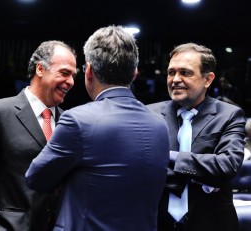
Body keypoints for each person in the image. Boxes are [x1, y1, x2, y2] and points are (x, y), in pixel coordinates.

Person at [25, 25, 170, 231]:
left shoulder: (77, 120)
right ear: (135, 73)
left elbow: (36, 178)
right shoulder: (160, 125)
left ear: (89, 70)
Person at [0, 40, 77, 231]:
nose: (71, 82)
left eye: (73, 75)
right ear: (40, 69)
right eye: (64, 73)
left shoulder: (70, 121)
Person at [147, 43, 246, 231]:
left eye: (185, 72)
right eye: (171, 72)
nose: (175, 79)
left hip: (211, 223)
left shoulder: (229, 115)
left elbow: (227, 165)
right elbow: (140, 166)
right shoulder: (148, 114)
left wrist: (166, 156)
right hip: (158, 223)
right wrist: (206, 177)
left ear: (208, 79)